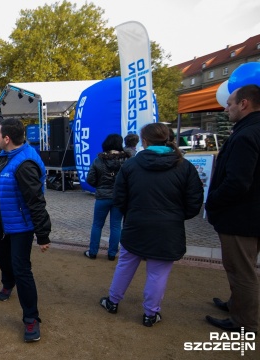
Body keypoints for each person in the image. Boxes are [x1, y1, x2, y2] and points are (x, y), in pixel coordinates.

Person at [99, 123, 203, 327]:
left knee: (125, 265)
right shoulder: (185, 166)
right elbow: (194, 201)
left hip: (136, 225)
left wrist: (133, 213)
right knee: (158, 273)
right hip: (168, 229)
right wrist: (175, 217)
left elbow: (119, 199)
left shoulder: (131, 165)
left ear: (144, 141)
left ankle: (113, 302)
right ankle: (150, 314)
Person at [0, 80, 51, 342]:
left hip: (21, 227)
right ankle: (7, 281)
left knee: (22, 268)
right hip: (3, 221)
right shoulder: (11, 149)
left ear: (7, 139)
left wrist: (42, 235)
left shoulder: (25, 165)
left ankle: (31, 319)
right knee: (2, 257)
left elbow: (36, 202)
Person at [205, 84, 260, 333]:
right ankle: (237, 305)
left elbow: (237, 182)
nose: (226, 108)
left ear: (244, 103)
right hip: (250, 214)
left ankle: (244, 323)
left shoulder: (247, 134)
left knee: (241, 271)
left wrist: (213, 199)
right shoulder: (251, 130)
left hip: (242, 217)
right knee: (243, 269)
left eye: (229, 104)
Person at [84, 134, 129, 261]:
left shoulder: (98, 160)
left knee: (97, 225)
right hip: (119, 197)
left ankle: (93, 252)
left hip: (102, 197)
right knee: (116, 226)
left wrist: (99, 186)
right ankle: (112, 254)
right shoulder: (126, 161)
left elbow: (90, 179)